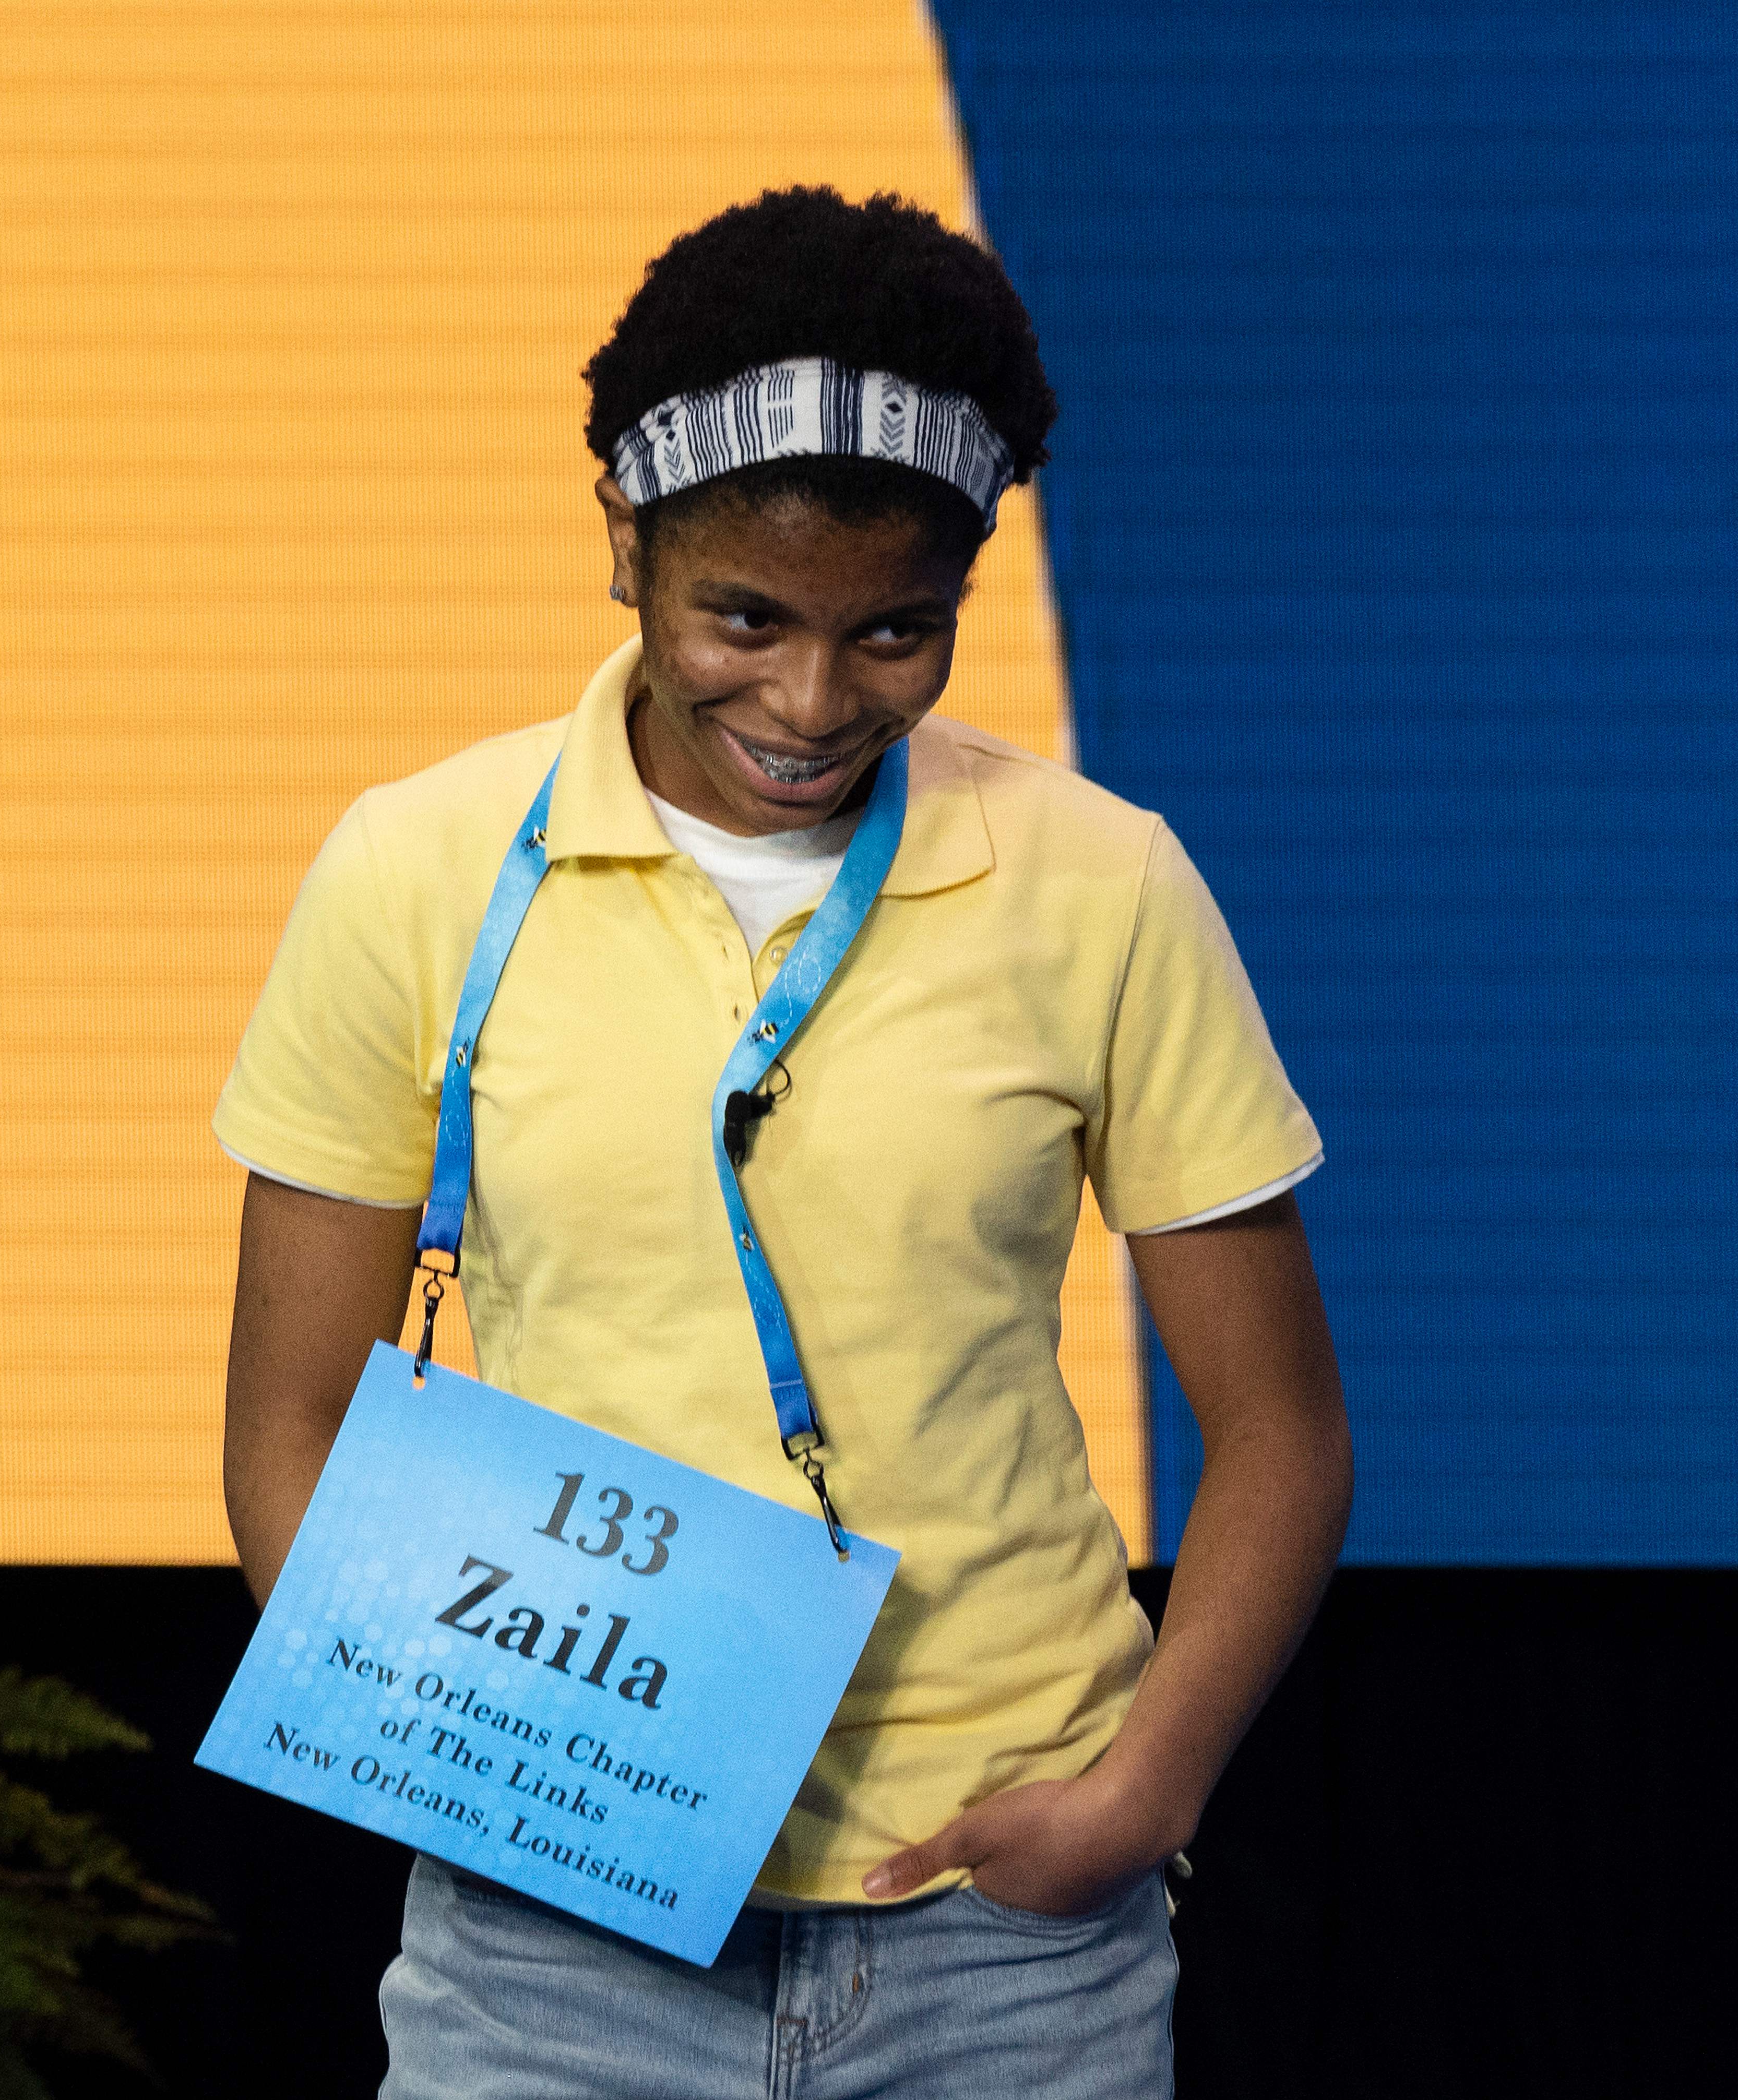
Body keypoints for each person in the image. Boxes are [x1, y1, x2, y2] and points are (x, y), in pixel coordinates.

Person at [214, 185, 1350, 2097]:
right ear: (625, 547)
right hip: (553, 1952)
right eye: (745, 616)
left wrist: (1134, 1798)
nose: (815, 703)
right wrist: (468, 1759)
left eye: (897, 632)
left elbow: (1284, 1433)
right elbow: (286, 1425)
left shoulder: (1103, 883)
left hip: (1008, 1947)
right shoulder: (413, 870)